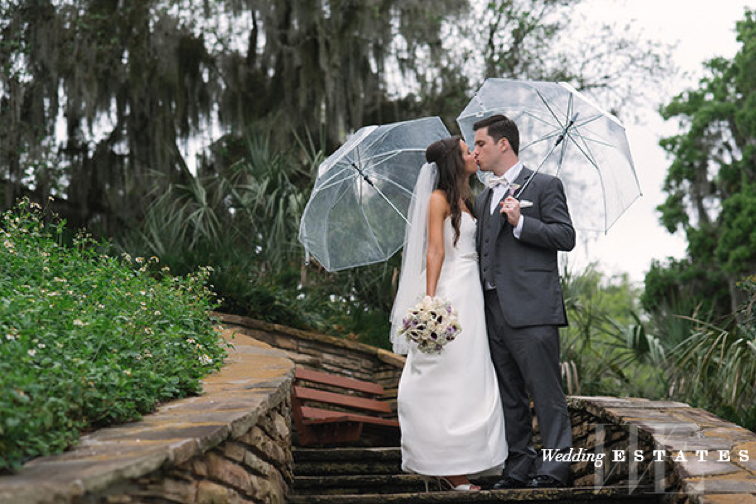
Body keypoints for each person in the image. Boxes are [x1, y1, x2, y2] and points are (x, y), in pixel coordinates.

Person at [391, 135, 508, 491]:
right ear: (453, 162)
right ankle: (446, 466)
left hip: (473, 293)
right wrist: (430, 304)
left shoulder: (469, 198)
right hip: (451, 293)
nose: (473, 153)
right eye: (466, 151)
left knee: (472, 376)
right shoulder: (438, 198)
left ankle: (471, 458)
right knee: (444, 375)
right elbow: (435, 252)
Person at [472, 114, 575, 489]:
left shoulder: (545, 185)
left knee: (546, 394)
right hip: (491, 311)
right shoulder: (483, 198)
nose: (474, 151)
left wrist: (520, 223)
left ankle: (556, 467)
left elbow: (566, 236)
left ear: (503, 144)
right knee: (509, 396)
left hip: (532, 311)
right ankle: (518, 466)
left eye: (480, 143)